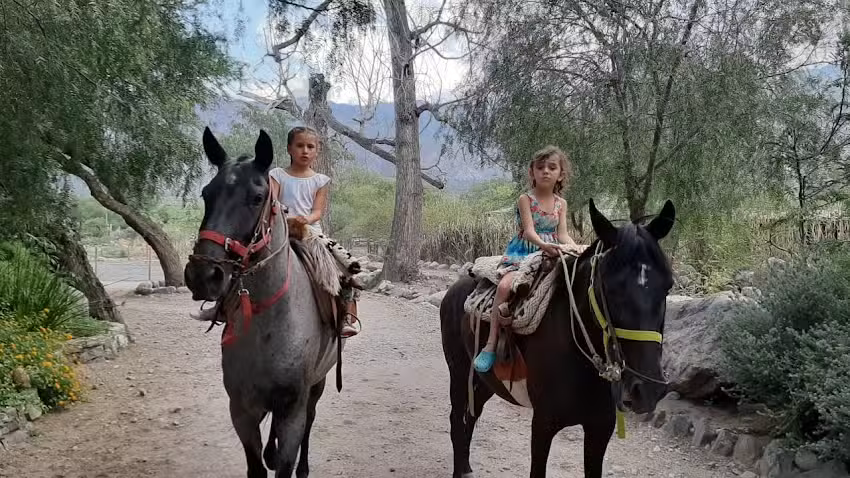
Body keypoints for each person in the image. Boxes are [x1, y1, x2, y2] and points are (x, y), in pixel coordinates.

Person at [473, 145, 583, 373]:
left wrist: (575, 248)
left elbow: (562, 234)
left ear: (561, 174)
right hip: (524, 252)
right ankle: (490, 344)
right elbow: (530, 231)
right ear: (532, 172)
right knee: (505, 286)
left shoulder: (561, 204)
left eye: (552, 167)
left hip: (553, 250)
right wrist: (544, 246)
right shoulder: (526, 199)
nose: (545, 171)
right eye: (540, 167)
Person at [268, 126, 360, 338]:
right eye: (300, 146)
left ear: (317, 151)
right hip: (280, 228)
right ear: (289, 148)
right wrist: (284, 215)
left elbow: (317, 211)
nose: (305, 151)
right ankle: (228, 307)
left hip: (310, 232)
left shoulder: (320, 180)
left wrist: (305, 219)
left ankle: (346, 316)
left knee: (342, 268)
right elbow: (272, 202)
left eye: (311, 147)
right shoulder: (277, 175)